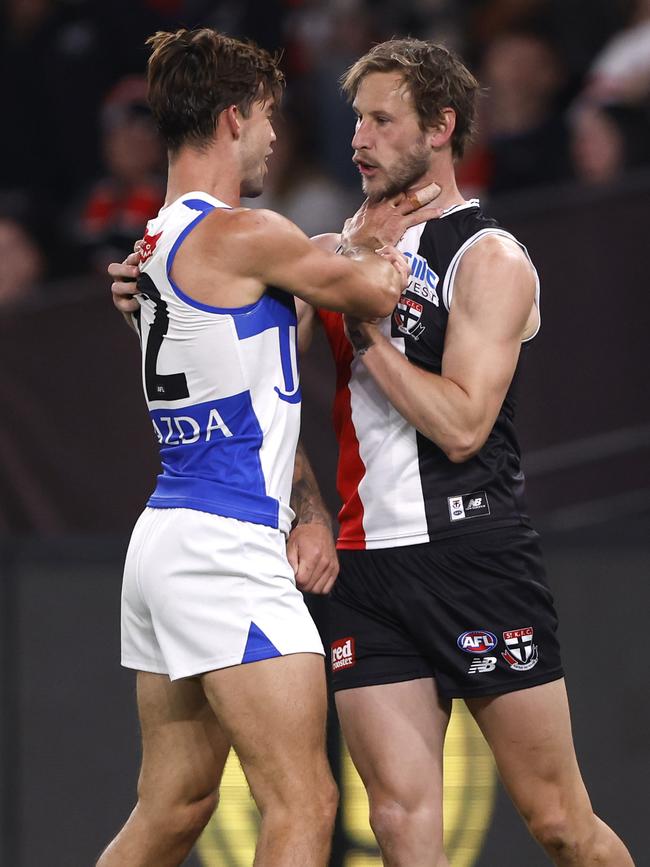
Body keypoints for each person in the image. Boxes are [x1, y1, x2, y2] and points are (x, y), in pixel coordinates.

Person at [110, 37, 635, 867]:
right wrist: (161, 298)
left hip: (473, 552)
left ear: (440, 128)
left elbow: (463, 426)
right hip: (364, 568)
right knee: (395, 820)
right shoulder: (320, 248)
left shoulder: (487, 256)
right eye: (355, 119)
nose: (357, 138)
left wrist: (367, 337)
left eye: (383, 121)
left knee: (561, 822)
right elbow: (254, 380)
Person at [98, 27, 441, 867]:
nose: (276, 137)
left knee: (173, 806)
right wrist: (376, 240)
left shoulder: (159, 246)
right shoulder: (242, 235)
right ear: (229, 120)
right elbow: (372, 289)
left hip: (166, 540)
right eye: (265, 118)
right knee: (305, 798)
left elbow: (254, 373)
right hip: (225, 545)